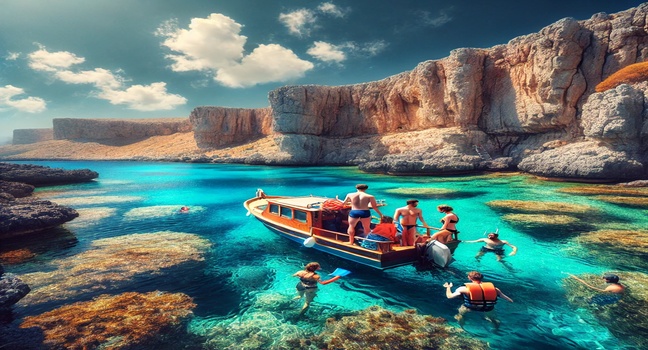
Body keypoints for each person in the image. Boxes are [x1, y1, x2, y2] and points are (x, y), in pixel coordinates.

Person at [443, 271, 513, 328]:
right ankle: (496, 328)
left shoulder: (464, 289)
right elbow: (509, 300)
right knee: (492, 319)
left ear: (469, 278)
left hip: (471, 307)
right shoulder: (495, 289)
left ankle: (462, 327)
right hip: (488, 308)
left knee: (460, 315)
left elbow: (449, 296)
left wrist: (448, 287)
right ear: (481, 278)